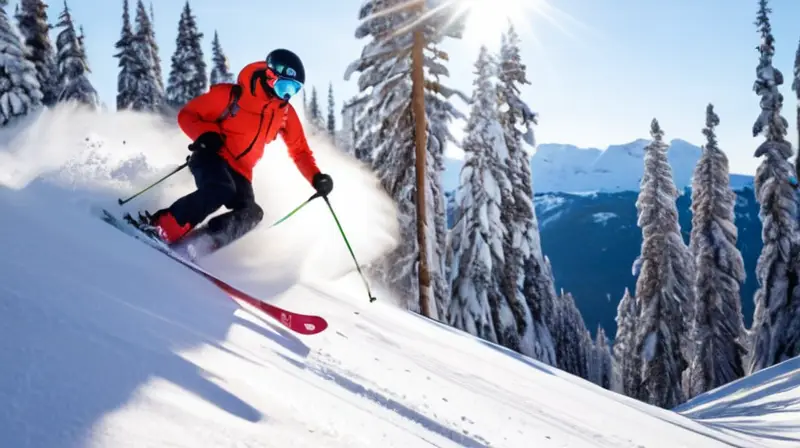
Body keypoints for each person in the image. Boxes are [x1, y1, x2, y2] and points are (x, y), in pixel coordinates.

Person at [141, 49, 333, 252]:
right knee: (220, 189)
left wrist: (316, 178)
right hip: (212, 154)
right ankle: (160, 227)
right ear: (270, 76)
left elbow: (300, 150)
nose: (287, 95)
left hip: (241, 171)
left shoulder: (284, 113)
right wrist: (206, 134)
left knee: (251, 213)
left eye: (294, 90)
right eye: (285, 86)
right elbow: (187, 115)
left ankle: (202, 243)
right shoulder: (232, 96)